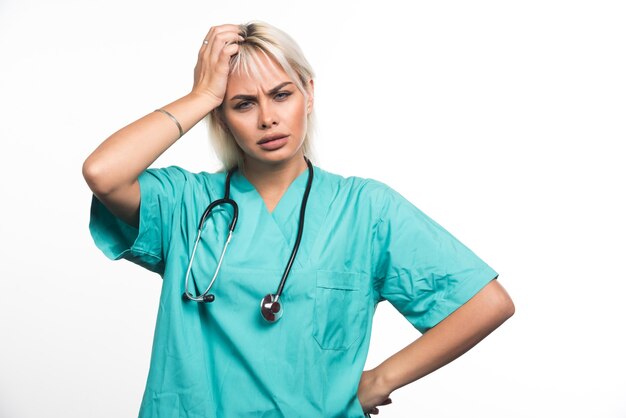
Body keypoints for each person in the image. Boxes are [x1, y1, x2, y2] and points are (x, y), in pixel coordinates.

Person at [82, 21, 515, 418]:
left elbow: (486, 303)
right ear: (222, 118)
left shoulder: (365, 209)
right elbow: (103, 173)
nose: (267, 117)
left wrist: (380, 380)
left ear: (309, 93)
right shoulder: (186, 202)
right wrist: (202, 95)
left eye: (281, 94)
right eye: (243, 104)